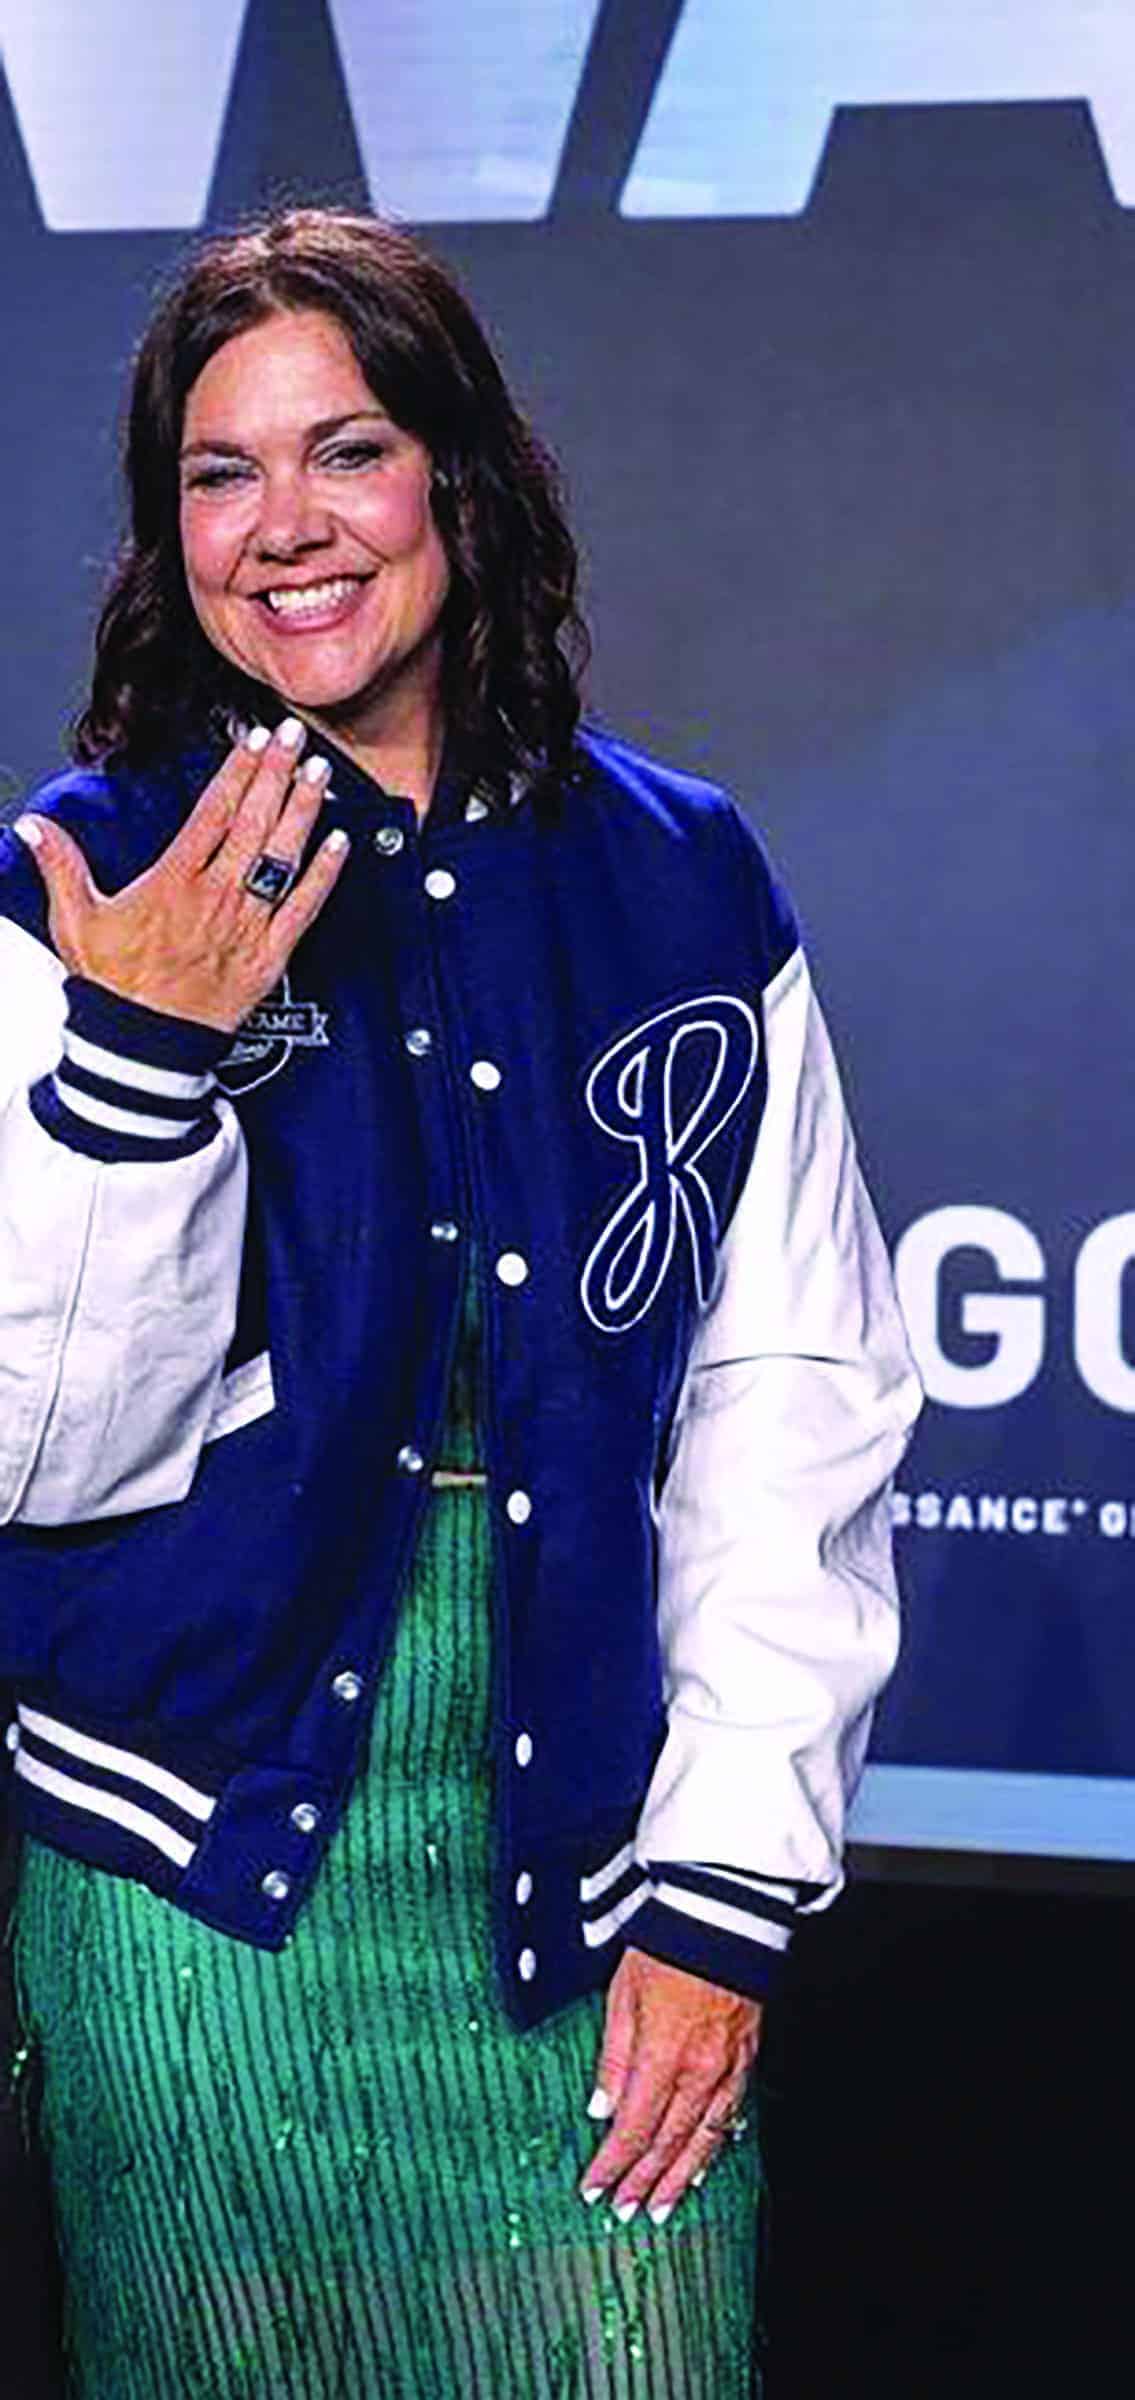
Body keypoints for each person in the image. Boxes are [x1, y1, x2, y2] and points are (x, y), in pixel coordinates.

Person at [0, 209, 920, 2399]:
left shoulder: (682, 873)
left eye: (348, 451)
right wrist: (129, 1071)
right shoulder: (83, 878)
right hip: (198, 1898)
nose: (286, 528)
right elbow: (40, 1456)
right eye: (220, 474)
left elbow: (794, 1404)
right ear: (165, 532)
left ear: (463, 484)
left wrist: (718, 1896)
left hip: (584, 1880)